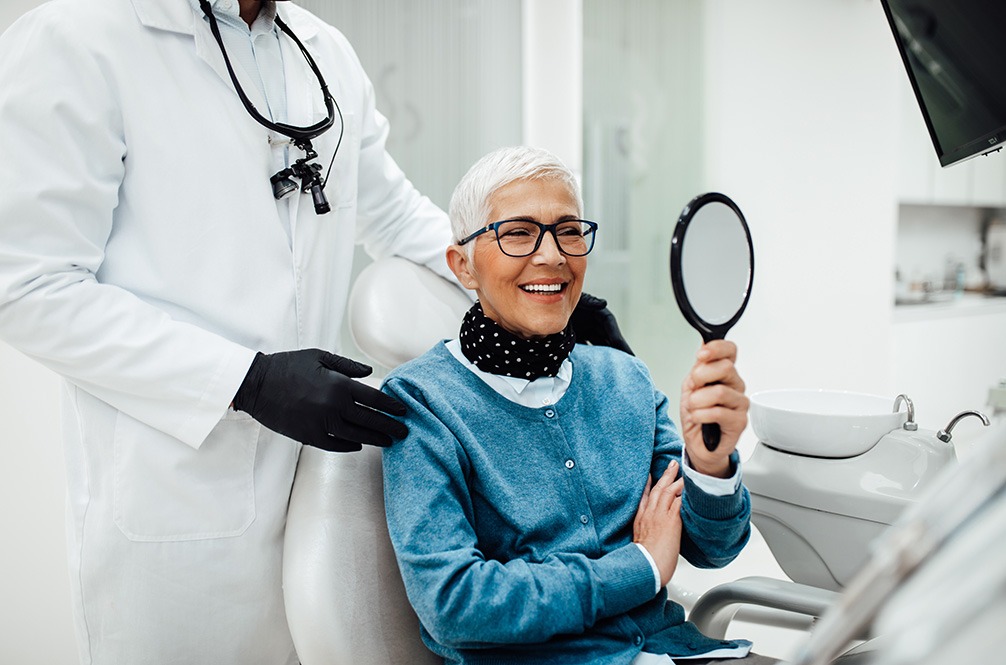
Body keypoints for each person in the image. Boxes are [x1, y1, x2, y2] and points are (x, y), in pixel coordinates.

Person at [0, 2, 627, 663]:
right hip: (174, 517)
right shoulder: (80, 40)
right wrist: (248, 381)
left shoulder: (322, 53)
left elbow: (393, 215)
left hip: (312, 510)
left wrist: (523, 277)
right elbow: (26, 287)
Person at [381, 146, 773, 664]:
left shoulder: (624, 378)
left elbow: (712, 547)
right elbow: (455, 605)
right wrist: (641, 566)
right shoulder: (423, 403)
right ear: (464, 265)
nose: (552, 256)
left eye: (569, 231)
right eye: (518, 233)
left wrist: (710, 463)